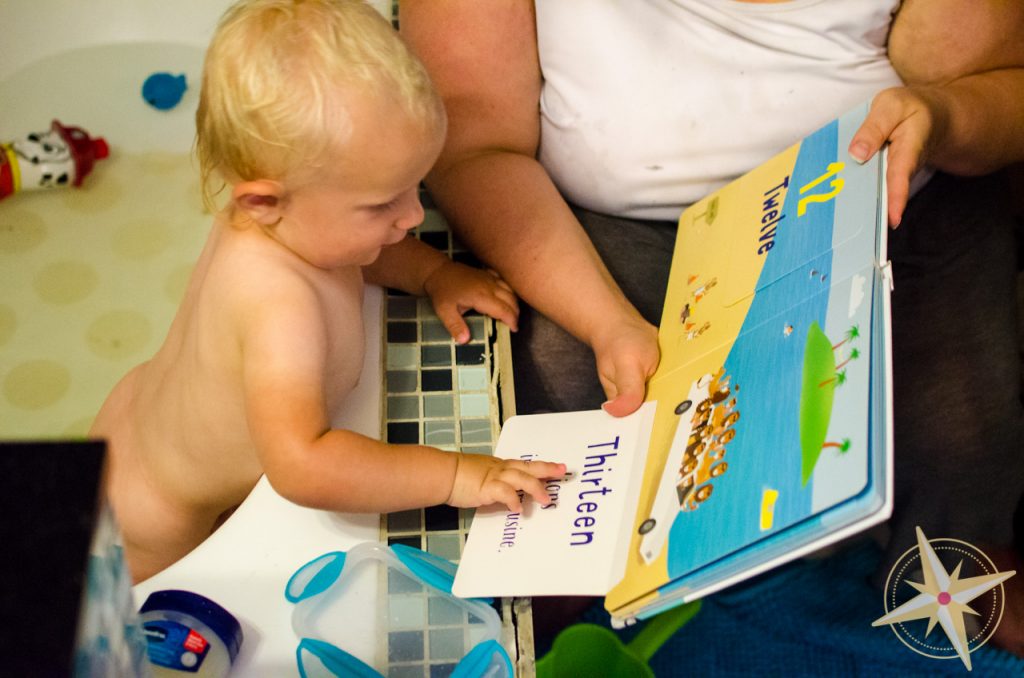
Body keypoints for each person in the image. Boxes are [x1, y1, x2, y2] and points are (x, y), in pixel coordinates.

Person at [399, 0, 1024, 656]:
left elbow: (998, 88)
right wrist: (605, 321)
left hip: (879, 196)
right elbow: (473, 140)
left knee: (962, 441)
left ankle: (958, 569)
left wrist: (947, 115)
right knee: (580, 430)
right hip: (604, 221)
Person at [89, 0, 565, 584]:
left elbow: (351, 246)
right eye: (382, 204)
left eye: (413, 188)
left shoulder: (293, 213)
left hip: (143, 423)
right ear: (264, 201)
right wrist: (457, 476)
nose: (414, 215)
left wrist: (432, 274)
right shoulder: (276, 303)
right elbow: (303, 463)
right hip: (157, 513)